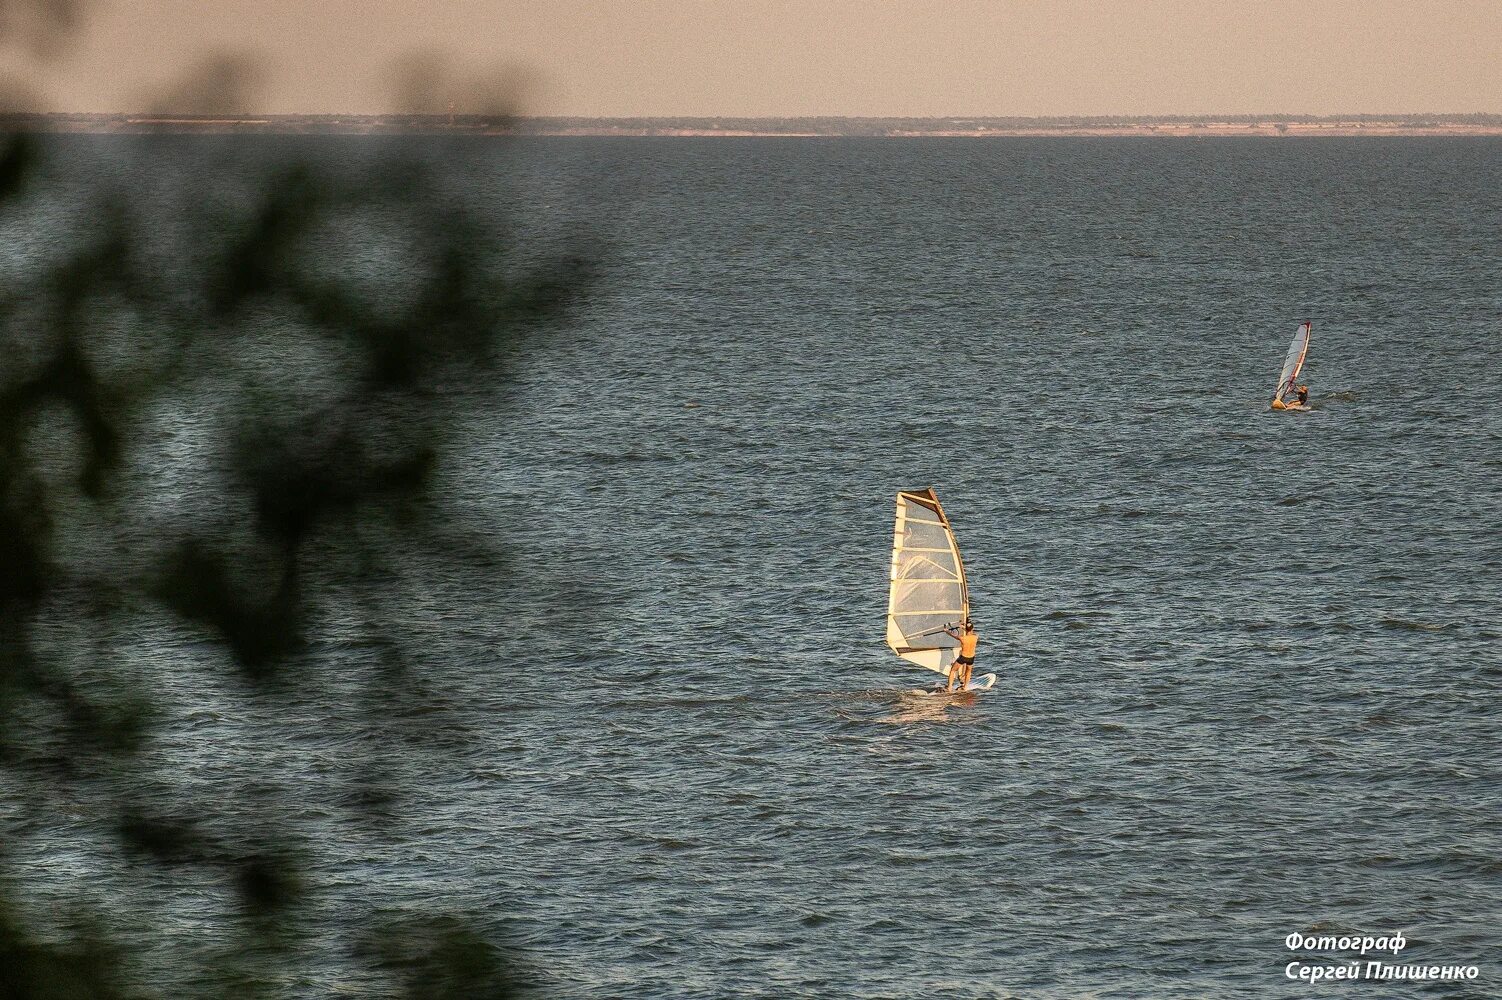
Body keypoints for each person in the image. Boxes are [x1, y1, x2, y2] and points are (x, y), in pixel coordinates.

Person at [943, 619, 979, 692]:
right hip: (971, 658)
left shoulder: (962, 638)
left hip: (963, 657)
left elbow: (953, 635)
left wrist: (946, 631)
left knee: (953, 670)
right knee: (968, 672)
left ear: (966, 629)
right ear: (972, 629)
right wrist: (964, 627)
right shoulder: (976, 637)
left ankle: (949, 687)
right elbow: (971, 631)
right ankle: (965, 687)